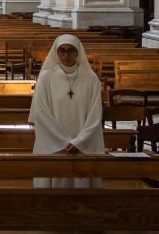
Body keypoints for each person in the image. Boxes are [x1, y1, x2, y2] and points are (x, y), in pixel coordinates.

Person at [28, 34, 104, 187]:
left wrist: (79, 141)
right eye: (61, 51)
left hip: (83, 145)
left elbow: (95, 115)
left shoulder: (90, 78)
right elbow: (41, 112)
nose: (66, 55)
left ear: (78, 52)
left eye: (70, 51)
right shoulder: (46, 77)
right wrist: (64, 141)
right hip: (54, 145)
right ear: (56, 53)